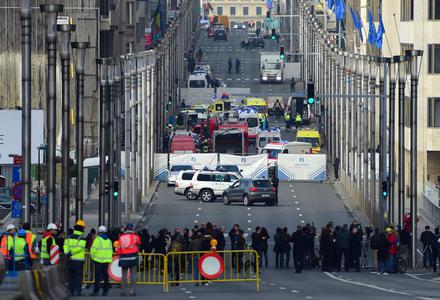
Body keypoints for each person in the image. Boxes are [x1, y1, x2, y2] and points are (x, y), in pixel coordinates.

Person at [64, 220, 87, 296]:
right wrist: (72, 253)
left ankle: (71, 291)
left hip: (70, 259)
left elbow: (65, 245)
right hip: (79, 260)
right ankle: (78, 291)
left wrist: (67, 253)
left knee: (70, 276)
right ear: (82, 228)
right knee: (78, 277)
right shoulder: (82, 238)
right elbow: (80, 248)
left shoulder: (69, 236)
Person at [117, 223, 141, 296]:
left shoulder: (121, 237)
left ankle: (123, 291)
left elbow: (119, 248)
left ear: (126, 229)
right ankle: (132, 291)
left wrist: (119, 256)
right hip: (133, 257)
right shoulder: (136, 237)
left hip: (124, 257)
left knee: (124, 275)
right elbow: (139, 244)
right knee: (133, 275)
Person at [90, 226, 113, 296]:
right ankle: (105, 291)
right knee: (105, 276)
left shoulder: (97, 240)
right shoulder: (109, 240)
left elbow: (93, 250)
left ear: (99, 232)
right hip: (106, 261)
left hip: (98, 261)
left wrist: (92, 257)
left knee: (97, 277)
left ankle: (96, 291)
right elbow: (111, 250)